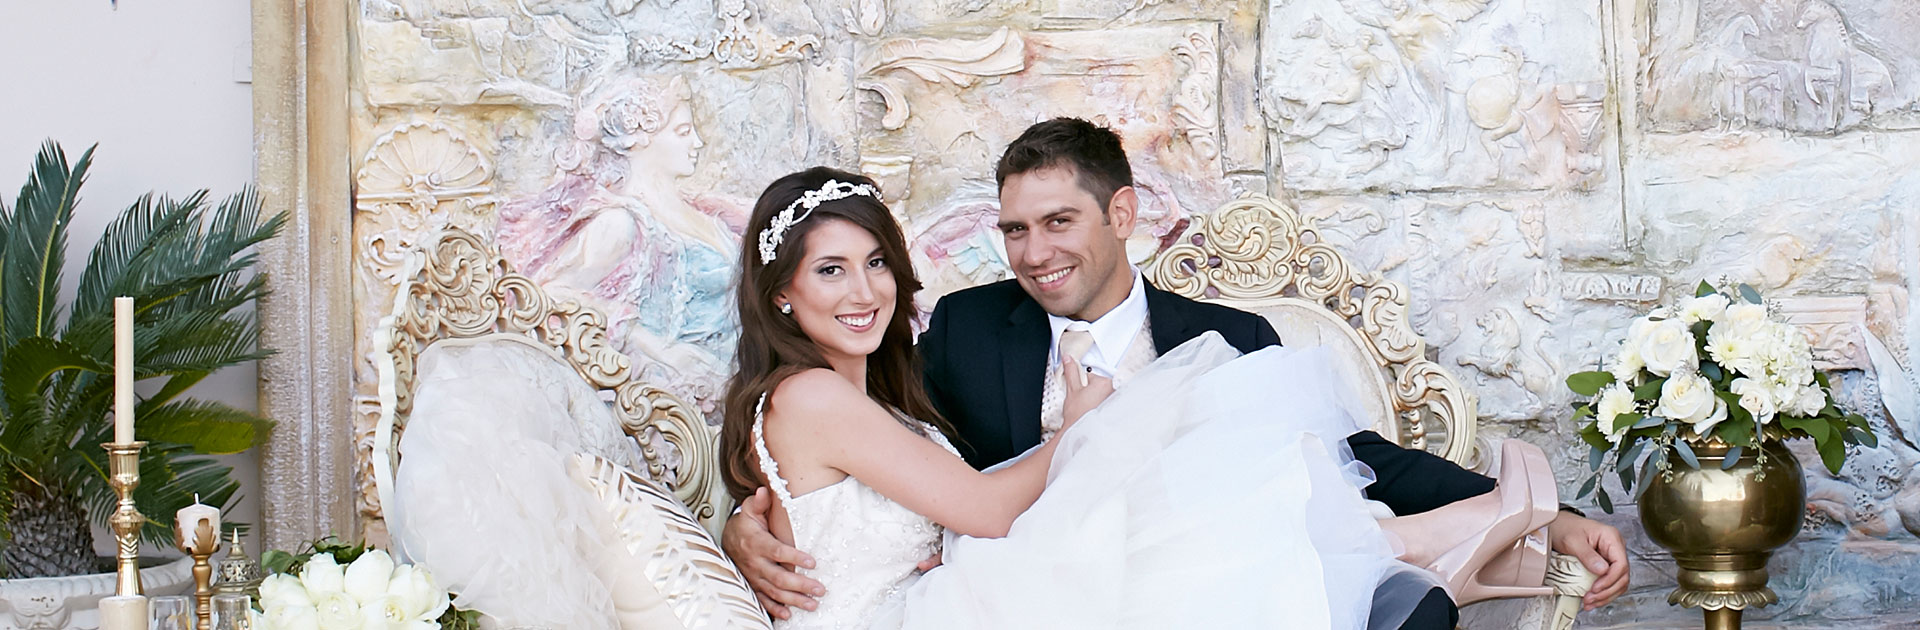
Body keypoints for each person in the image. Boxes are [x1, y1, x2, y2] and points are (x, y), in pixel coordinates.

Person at [724, 119, 1631, 628]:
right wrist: (742, 527)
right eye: (1015, 230)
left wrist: (1567, 519)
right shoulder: (963, 332)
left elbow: (1361, 456)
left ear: (1122, 213)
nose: (1034, 253)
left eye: (1059, 222)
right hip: (1052, 595)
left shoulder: (1225, 336)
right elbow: (840, 476)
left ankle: (1475, 527)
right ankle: (1457, 537)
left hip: (1191, 593)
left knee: (1382, 595)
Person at [498, 73, 739, 418]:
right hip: (671, 410)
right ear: (640, 142)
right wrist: (661, 349)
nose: (697, 142)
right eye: (683, 132)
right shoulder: (621, 222)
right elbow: (553, 296)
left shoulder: (702, 212)